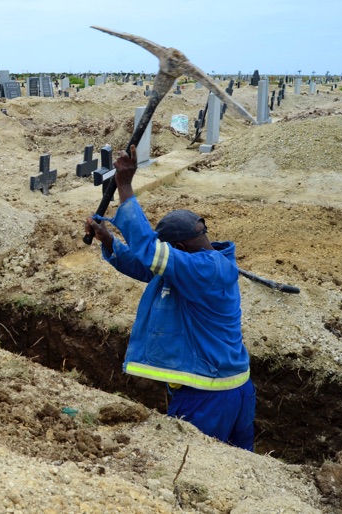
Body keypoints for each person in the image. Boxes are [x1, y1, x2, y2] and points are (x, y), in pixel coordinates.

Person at [84, 145, 255, 451]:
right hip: (231, 388)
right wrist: (109, 240)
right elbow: (145, 265)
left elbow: (151, 253)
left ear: (177, 245)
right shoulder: (196, 262)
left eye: (168, 249)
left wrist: (124, 186)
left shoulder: (205, 270)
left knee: (194, 468)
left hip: (208, 392)